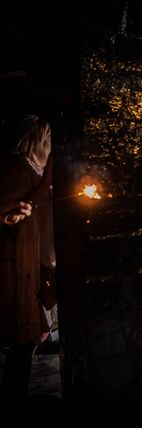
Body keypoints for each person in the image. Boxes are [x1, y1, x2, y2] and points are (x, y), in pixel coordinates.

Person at [0, 115, 55, 403]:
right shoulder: (15, 167)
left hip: (31, 261)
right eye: (47, 139)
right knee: (24, 336)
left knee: (35, 334)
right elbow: (6, 206)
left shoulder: (36, 171)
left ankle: (15, 395)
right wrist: (10, 213)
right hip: (12, 264)